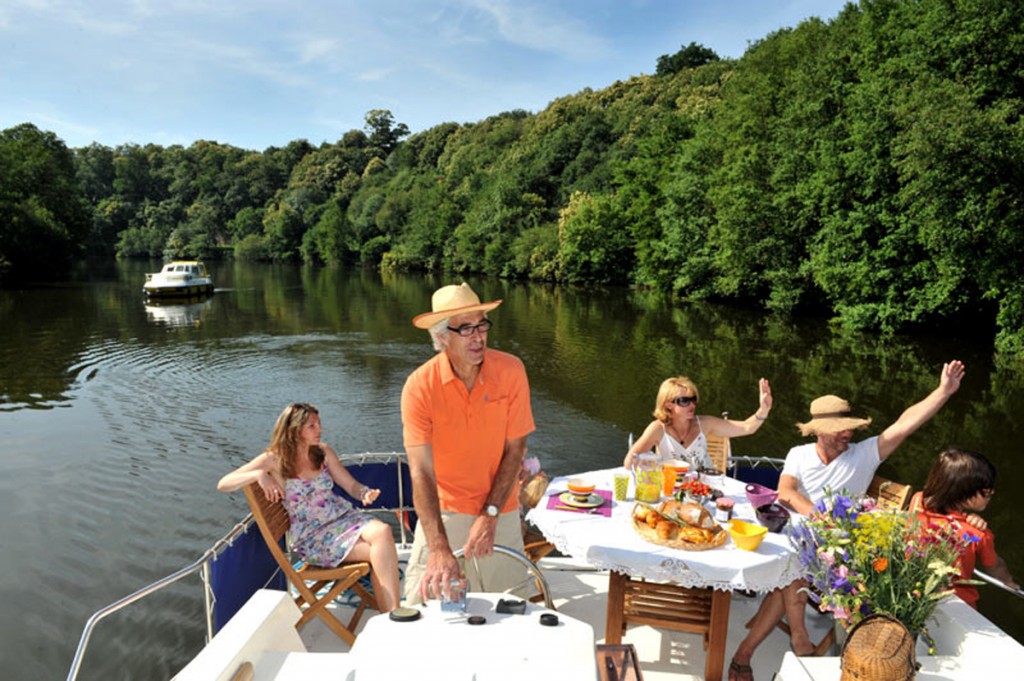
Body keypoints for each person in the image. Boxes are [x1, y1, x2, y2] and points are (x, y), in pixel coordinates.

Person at [728, 359, 965, 681]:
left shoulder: (864, 453)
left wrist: (943, 392)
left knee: (789, 570)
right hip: (807, 541)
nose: (849, 433)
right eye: (842, 428)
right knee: (792, 565)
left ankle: (764, 648)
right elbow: (785, 491)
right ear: (821, 432)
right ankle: (794, 641)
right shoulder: (799, 454)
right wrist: (818, 517)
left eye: (851, 426)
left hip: (844, 554)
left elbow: (905, 424)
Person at [401, 282, 536, 605]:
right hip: (445, 510)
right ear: (442, 336)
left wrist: (489, 515)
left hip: (500, 508)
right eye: (465, 328)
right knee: (418, 609)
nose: (478, 337)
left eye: (481, 325)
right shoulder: (420, 387)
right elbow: (421, 472)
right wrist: (438, 548)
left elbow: (515, 450)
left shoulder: (512, 370)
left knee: (511, 612)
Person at [217, 403, 401, 612]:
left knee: (384, 532)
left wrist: (364, 493)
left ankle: (392, 615)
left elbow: (350, 485)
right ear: (294, 430)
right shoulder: (274, 459)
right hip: (314, 537)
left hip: (343, 520)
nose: (319, 430)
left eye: (318, 424)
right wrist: (258, 475)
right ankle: (393, 614)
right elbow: (224, 483)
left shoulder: (322, 452)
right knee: (380, 552)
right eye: (312, 426)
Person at [911, 447, 1018, 608]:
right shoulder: (978, 533)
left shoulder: (917, 500)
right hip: (959, 604)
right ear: (964, 493)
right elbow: (995, 567)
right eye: (986, 492)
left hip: (915, 590)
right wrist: (1009, 582)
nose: (992, 494)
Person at [624, 376, 773, 471]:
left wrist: (763, 409)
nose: (692, 405)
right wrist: (653, 468)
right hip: (672, 490)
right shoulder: (657, 429)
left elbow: (747, 427)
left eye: (693, 399)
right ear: (668, 405)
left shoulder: (705, 424)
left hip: (703, 489)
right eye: (684, 401)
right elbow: (630, 462)